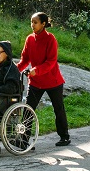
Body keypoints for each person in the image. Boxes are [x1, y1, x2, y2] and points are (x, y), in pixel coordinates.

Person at [17, 12, 71, 146]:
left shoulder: (50, 39)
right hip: (35, 82)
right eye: (31, 22)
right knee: (28, 109)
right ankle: (24, 141)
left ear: (43, 24)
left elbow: (51, 61)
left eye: (35, 22)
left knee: (58, 109)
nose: (32, 25)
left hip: (53, 81)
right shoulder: (29, 39)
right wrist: (14, 70)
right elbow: (25, 59)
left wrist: (37, 70)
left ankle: (64, 136)